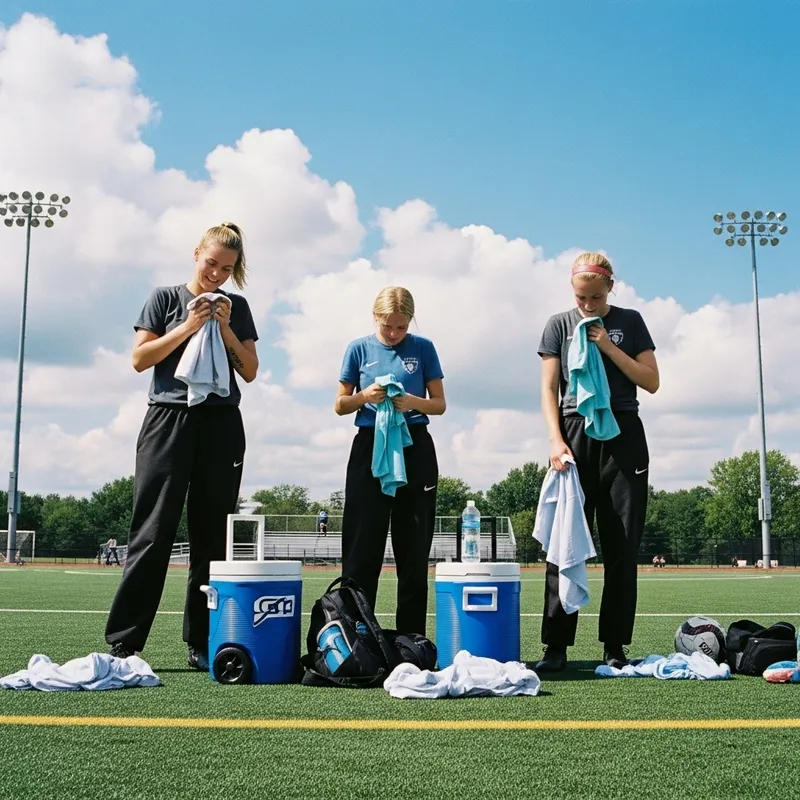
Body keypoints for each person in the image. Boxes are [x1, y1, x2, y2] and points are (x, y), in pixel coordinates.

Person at [105, 222, 259, 671]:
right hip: (167, 419)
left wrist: (225, 329)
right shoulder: (165, 298)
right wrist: (190, 325)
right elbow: (139, 359)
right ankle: (125, 640)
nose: (216, 274)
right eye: (211, 263)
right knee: (152, 531)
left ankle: (201, 641)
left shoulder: (238, 307)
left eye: (227, 269)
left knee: (212, 538)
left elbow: (249, 370)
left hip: (221, 422)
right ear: (196, 254)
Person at [535, 252, 659, 672]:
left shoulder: (631, 321)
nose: (586, 305)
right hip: (573, 435)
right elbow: (549, 387)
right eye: (580, 297)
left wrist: (607, 345)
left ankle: (615, 646)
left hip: (624, 435)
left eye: (594, 297)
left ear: (610, 288)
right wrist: (554, 440)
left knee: (622, 547)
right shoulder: (558, 324)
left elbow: (651, 381)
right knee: (563, 542)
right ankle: (555, 646)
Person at [335, 287, 446, 636]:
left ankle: (411, 640)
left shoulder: (424, 348)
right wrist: (364, 397)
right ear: (376, 318)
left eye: (401, 327)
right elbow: (340, 403)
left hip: (415, 447)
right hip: (370, 446)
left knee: (413, 552)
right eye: (388, 327)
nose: (395, 334)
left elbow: (440, 403)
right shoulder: (358, 348)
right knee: (361, 550)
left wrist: (413, 401)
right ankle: (357, 637)